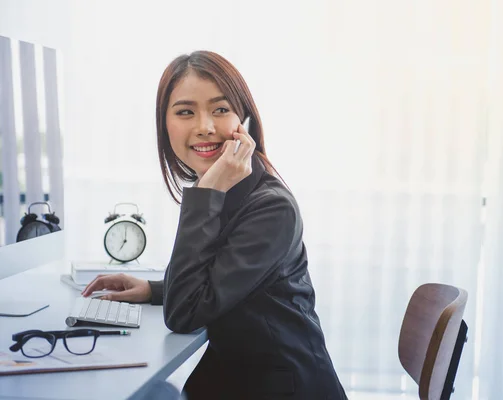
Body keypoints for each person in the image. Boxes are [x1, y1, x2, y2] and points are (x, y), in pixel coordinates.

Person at [82, 50, 347, 399]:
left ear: (244, 122)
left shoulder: (272, 208)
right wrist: (152, 290)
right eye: (185, 112)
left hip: (284, 389)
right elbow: (222, 282)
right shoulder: (233, 193)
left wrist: (207, 190)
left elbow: (185, 313)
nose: (204, 126)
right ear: (165, 123)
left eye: (220, 110)